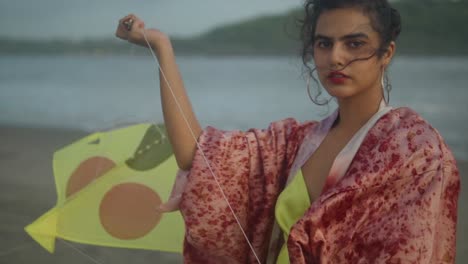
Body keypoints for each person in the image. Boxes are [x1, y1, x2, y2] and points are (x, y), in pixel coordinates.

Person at [115, 0, 460, 263]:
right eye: (324, 44)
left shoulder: (415, 150)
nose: (335, 57)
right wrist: (162, 48)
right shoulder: (296, 143)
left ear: (386, 53)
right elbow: (198, 156)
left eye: (354, 44)